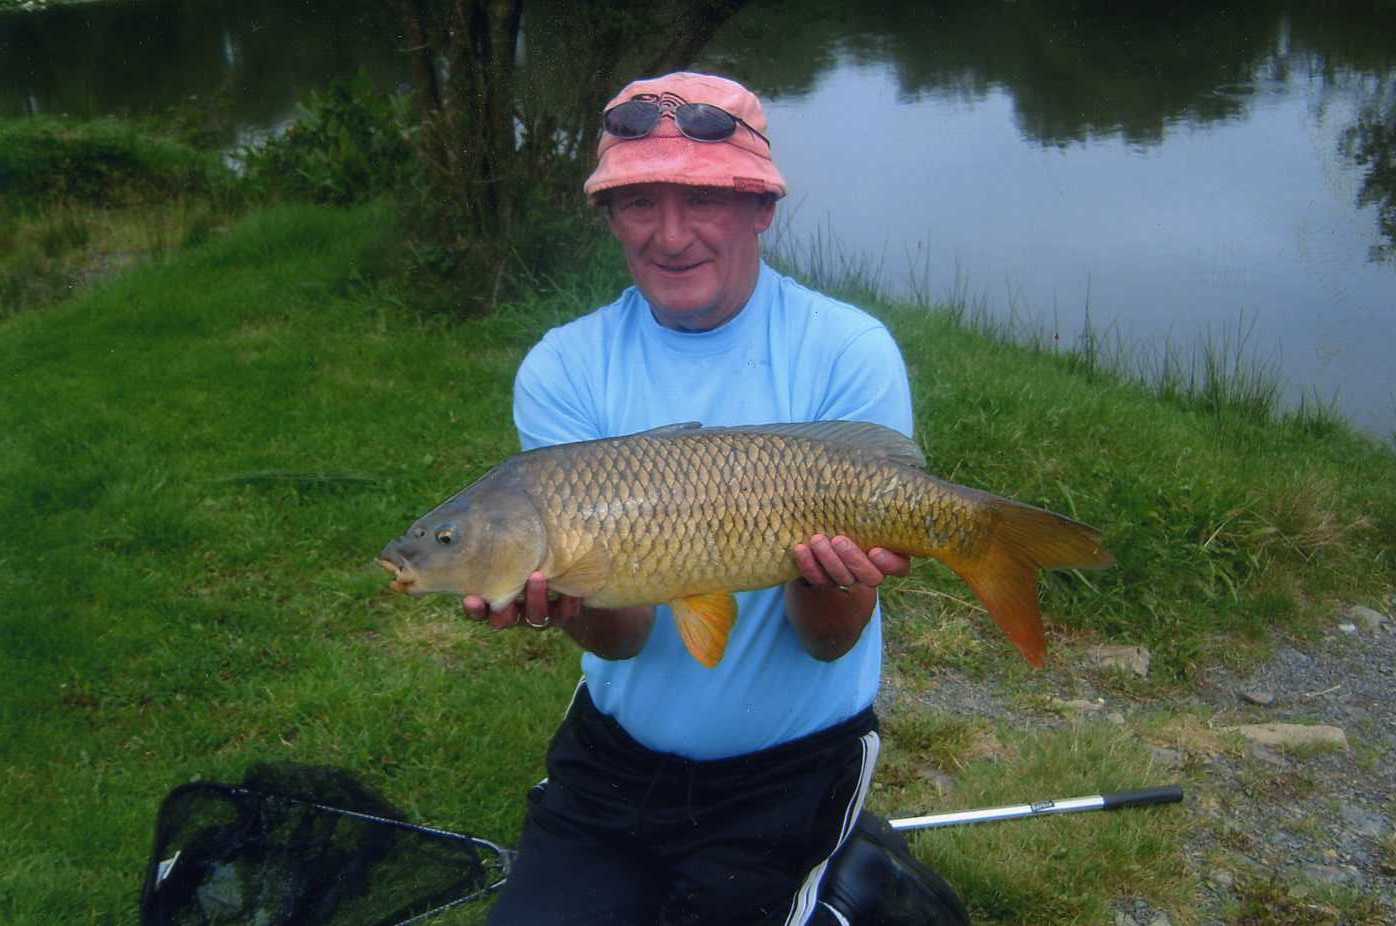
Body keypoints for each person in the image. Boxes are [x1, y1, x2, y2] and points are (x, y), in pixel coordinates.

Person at [466, 71, 922, 925]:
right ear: (609, 218)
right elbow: (624, 637)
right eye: (639, 202)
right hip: (614, 755)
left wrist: (832, 577)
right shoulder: (564, 368)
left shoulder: (847, 352)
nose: (670, 236)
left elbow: (828, 645)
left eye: (704, 199)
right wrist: (570, 601)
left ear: (762, 209)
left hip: (792, 763)